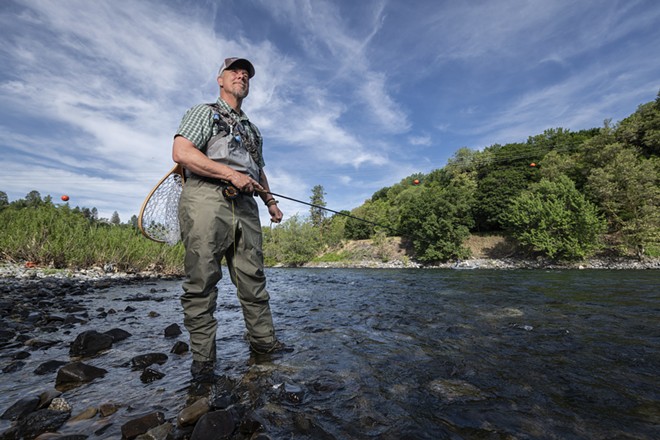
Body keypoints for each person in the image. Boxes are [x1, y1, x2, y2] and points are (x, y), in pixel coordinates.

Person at [172, 57, 287, 379]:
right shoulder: (203, 112)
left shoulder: (253, 130)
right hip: (207, 198)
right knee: (202, 281)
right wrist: (228, 174)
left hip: (247, 206)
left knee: (254, 280)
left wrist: (270, 202)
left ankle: (264, 345)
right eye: (235, 71)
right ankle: (204, 361)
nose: (242, 76)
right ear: (220, 79)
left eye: (247, 74)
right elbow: (182, 153)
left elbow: (258, 170)